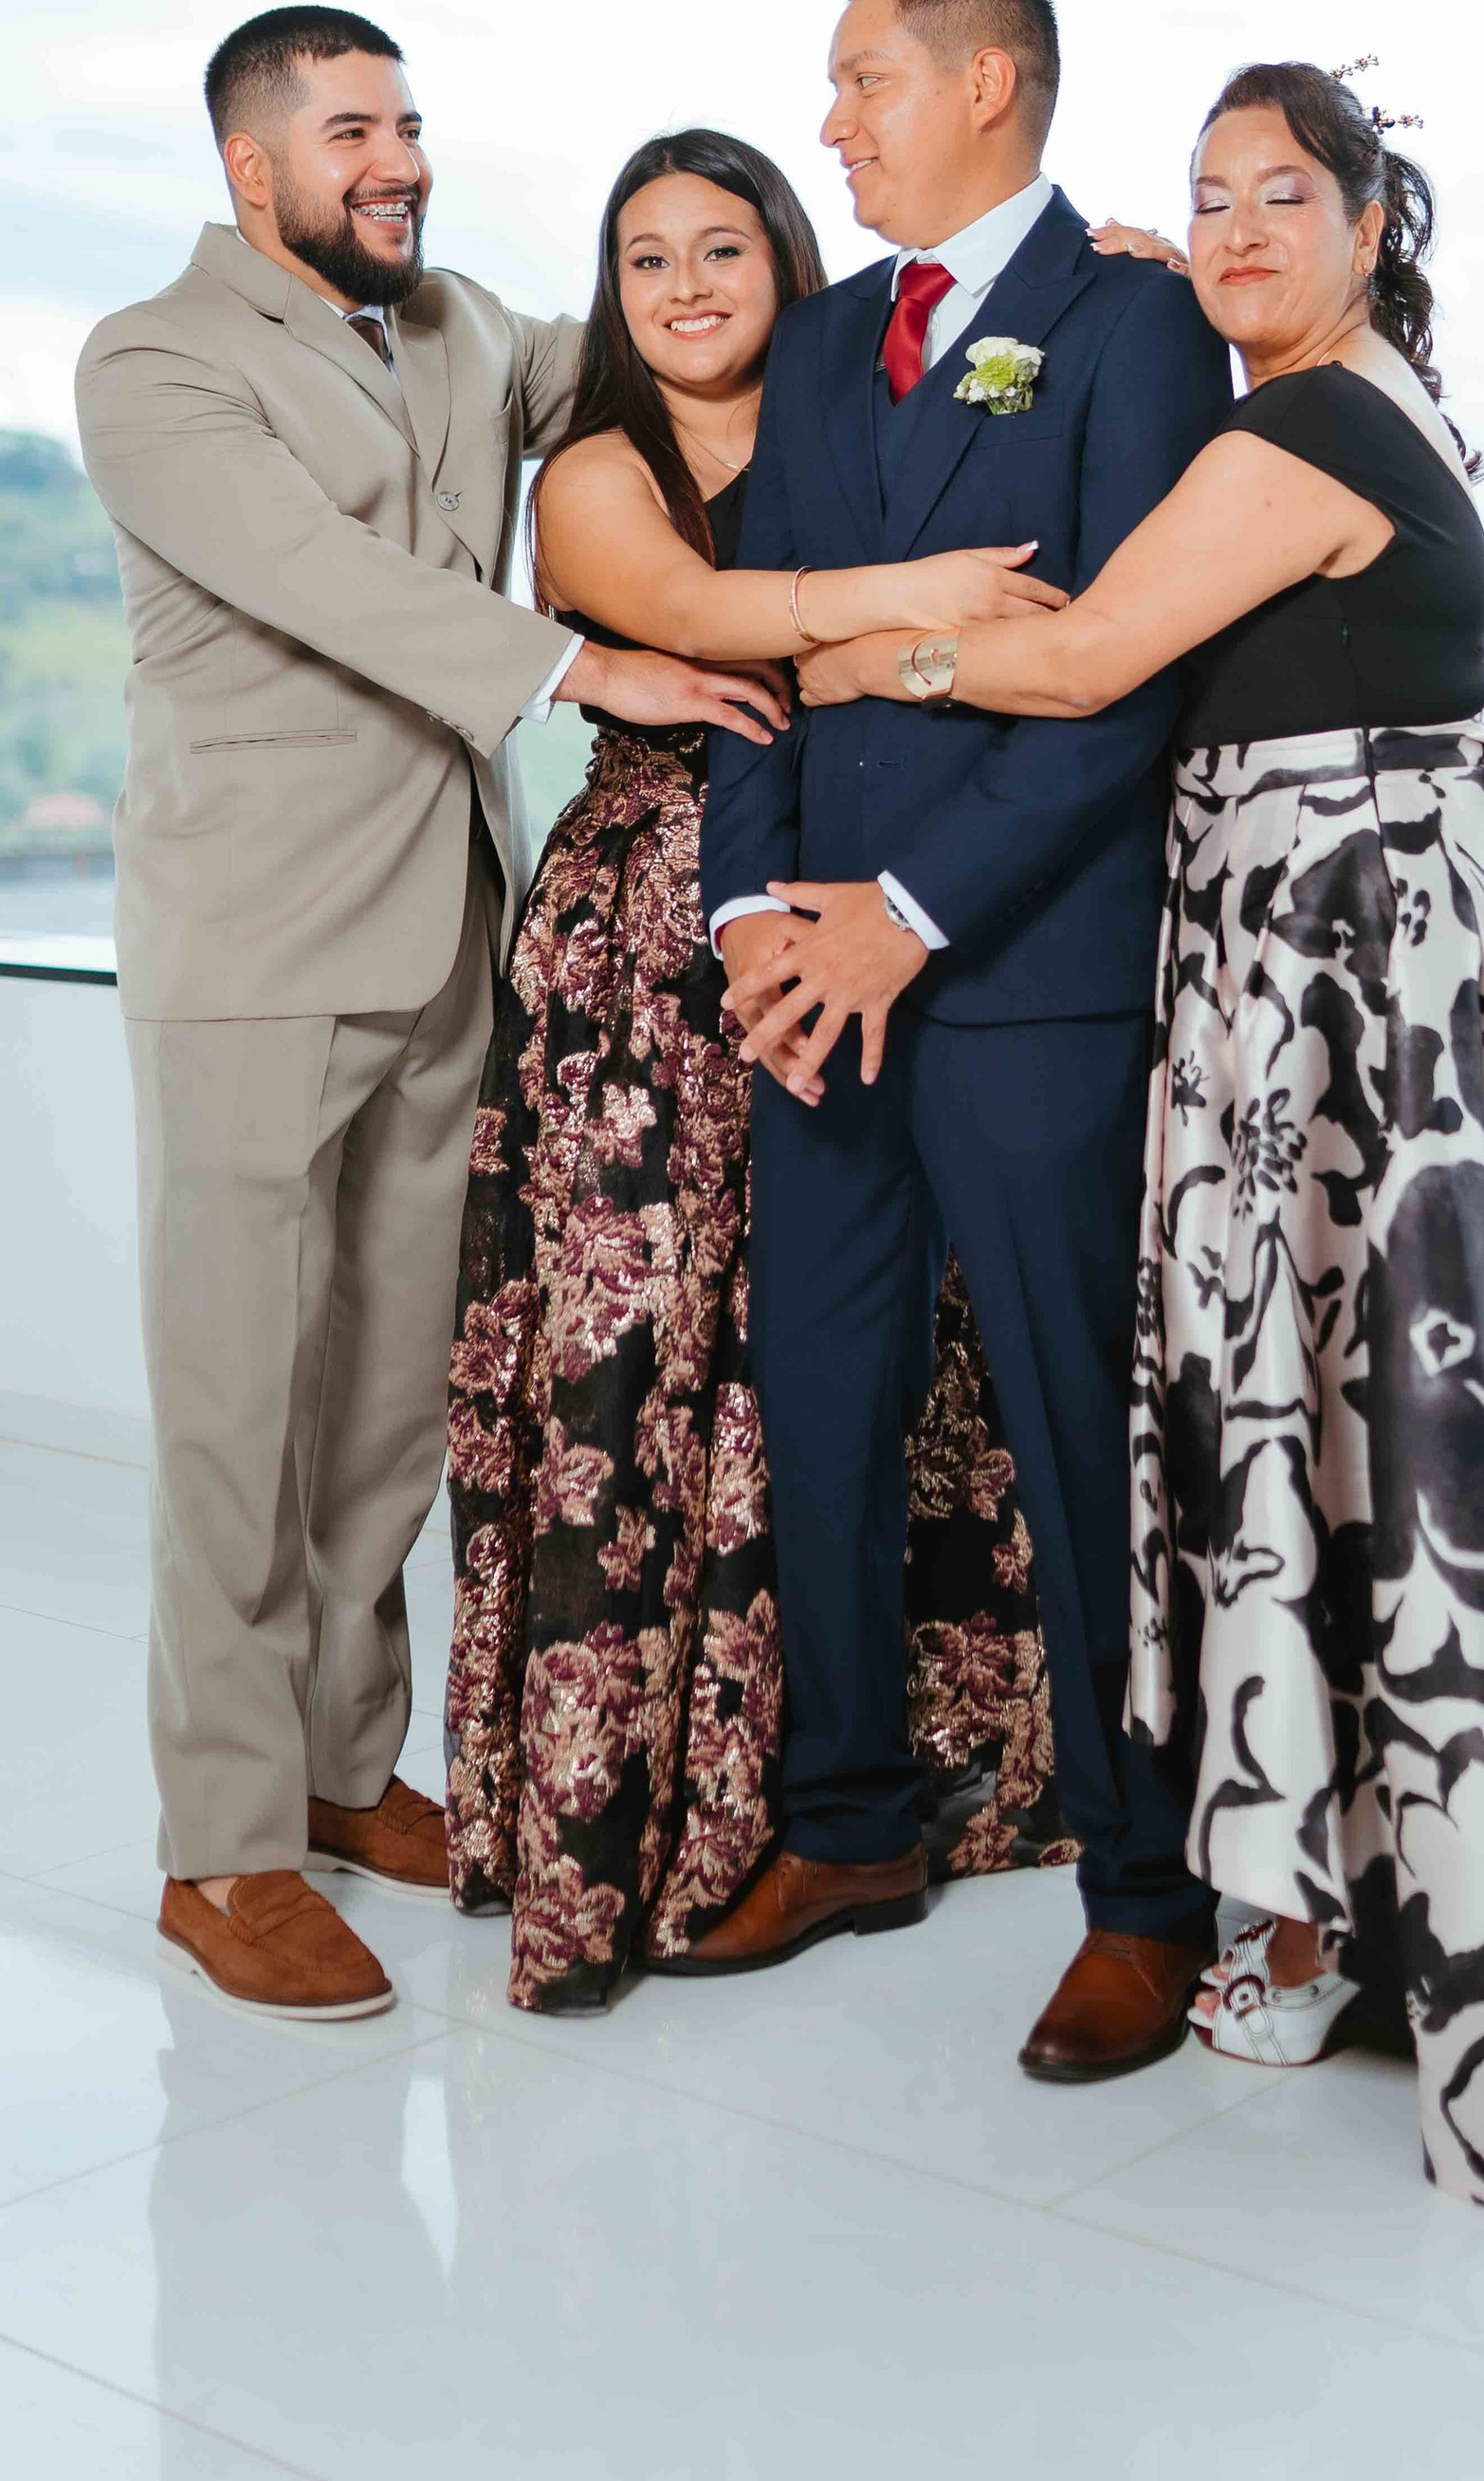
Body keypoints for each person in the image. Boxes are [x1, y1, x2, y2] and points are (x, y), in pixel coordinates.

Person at [800, 58, 1484, 2208]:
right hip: (1377, 966)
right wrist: (1171, 289)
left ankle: (1450, 1937)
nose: (1234, 232)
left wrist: (874, 637)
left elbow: (1086, 676)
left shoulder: (1301, 425)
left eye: (1278, 201)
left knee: (1368, 1436)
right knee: (1373, 1435)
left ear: (1364, 225)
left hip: (1344, 981)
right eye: (1201, 200)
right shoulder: (1372, 398)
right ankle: (1398, 1897)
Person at [75, 6, 769, 2025]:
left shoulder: (460, 324)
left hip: (443, 942)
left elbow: (676, 324)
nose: (397, 156)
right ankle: (219, 1848)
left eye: (409, 121)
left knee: (388, 1399)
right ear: (250, 164)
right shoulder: (155, 361)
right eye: (351, 127)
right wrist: (584, 666)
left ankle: (334, 1760)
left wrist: (1010, 294)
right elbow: (312, 576)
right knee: (233, 1412)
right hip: (248, 956)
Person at [443, 127, 1092, 2010]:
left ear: (785, 260)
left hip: (859, 918)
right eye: (643, 260)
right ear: (614, 296)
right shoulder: (592, 472)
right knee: (634, 1369)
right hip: (648, 958)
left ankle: (854, 1793)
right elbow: (723, 624)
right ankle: (626, 1820)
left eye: (720, 246)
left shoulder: (862, 421)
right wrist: (916, 615)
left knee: (825, 1373)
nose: (684, 286)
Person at [699, 0, 1233, 2084]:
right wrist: (756, 911)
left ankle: (1143, 1889)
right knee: (815, 1405)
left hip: (1021, 977)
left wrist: (905, 913)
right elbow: (764, 646)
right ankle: (845, 1822)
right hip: (812, 970)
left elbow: (1126, 676)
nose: (829, 122)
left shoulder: (1131, 321)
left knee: (1069, 1429)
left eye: (860, 81)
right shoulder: (823, 345)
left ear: (989, 80)